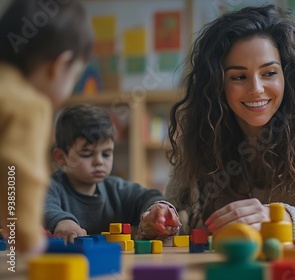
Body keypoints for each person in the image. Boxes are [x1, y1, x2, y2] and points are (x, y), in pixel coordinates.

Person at [165, 4, 295, 243]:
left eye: (269, 73)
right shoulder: (202, 130)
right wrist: (161, 218)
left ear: (287, 75)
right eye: (239, 77)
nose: (256, 89)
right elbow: (178, 211)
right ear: (218, 84)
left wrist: (279, 219)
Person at [0, 0, 93, 255]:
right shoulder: (28, 104)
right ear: (58, 65)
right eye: (74, 77)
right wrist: (28, 240)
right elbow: (18, 173)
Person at [45, 104, 181, 243]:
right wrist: (62, 222)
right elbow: (42, 205)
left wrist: (157, 211)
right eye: (86, 154)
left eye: (106, 154)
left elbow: (147, 196)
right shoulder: (50, 187)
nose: (99, 162)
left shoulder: (116, 189)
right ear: (61, 157)